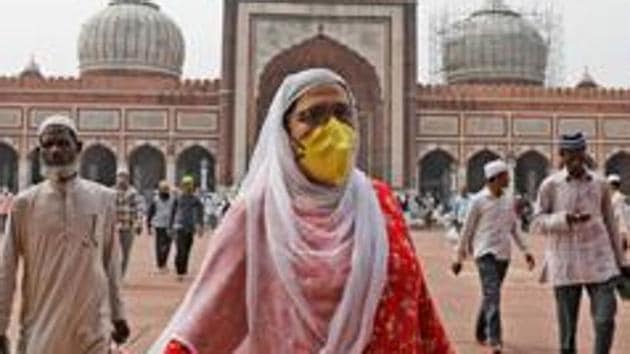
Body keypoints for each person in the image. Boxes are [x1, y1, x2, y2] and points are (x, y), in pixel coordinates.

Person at [149, 68, 454, 354]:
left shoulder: (379, 201)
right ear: (285, 133)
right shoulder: (257, 214)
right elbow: (207, 321)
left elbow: (419, 304)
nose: (332, 128)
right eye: (313, 115)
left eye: (341, 113)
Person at [0, 115, 129, 354]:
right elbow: (6, 269)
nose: (55, 150)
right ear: (40, 152)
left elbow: (111, 262)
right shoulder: (24, 204)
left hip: (91, 326)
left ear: (78, 148)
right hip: (41, 325)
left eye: (62, 143)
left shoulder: (103, 199)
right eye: (48, 145)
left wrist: (118, 315)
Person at [532, 132, 629, 354]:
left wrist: (621, 261)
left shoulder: (600, 184)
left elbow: (611, 225)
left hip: (599, 261)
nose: (576, 160)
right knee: (567, 337)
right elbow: (536, 223)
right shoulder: (550, 186)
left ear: (585, 154)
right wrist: (563, 219)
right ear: (561, 156)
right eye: (570, 155)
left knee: (605, 320)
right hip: (565, 262)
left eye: (579, 154)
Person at [452, 159, 535, 354]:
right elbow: (467, 229)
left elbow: (514, 228)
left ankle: (481, 329)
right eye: (505, 175)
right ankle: (494, 338)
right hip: (484, 253)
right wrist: (458, 257)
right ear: (495, 179)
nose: (508, 178)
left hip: (503, 254)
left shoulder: (508, 200)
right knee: (493, 294)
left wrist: (527, 251)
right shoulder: (478, 201)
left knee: (491, 295)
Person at [169, 176, 204, 281]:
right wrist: (170, 226)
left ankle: (183, 269)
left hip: (190, 227)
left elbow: (200, 212)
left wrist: (200, 225)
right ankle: (179, 270)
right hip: (179, 226)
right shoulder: (178, 198)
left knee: (187, 249)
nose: (187, 187)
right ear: (182, 186)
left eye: (189, 185)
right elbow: (172, 212)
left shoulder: (195, 199)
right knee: (181, 250)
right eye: (185, 185)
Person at [115, 168, 142, 277]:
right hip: (114, 228)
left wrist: (139, 223)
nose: (122, 179)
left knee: (125, 253)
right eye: (120, 176)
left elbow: (139, 209)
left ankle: (121, 275)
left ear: (128, 178)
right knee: (113, 254)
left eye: (124, 177)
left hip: (128, 227)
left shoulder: (133, 193)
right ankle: (113, 275)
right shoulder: (110, 192)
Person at [147, 180, 176, 273]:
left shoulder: (173, 199)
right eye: (163, 189)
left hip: (169, 225)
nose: (164, 191)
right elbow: (150, 213)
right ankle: (160, 265)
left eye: (166, 189)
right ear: (159, 190)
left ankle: (164, 263)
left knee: (168, 245)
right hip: (158, 224)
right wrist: (148, 225)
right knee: (159, 245)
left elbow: (175, 212)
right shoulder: (155, 200)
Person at [607, 174, 630, 251]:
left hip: (619, 226)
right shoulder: (615, 197)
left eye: (608, 185)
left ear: (612, 185)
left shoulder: (618, 198)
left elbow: (619, 215)